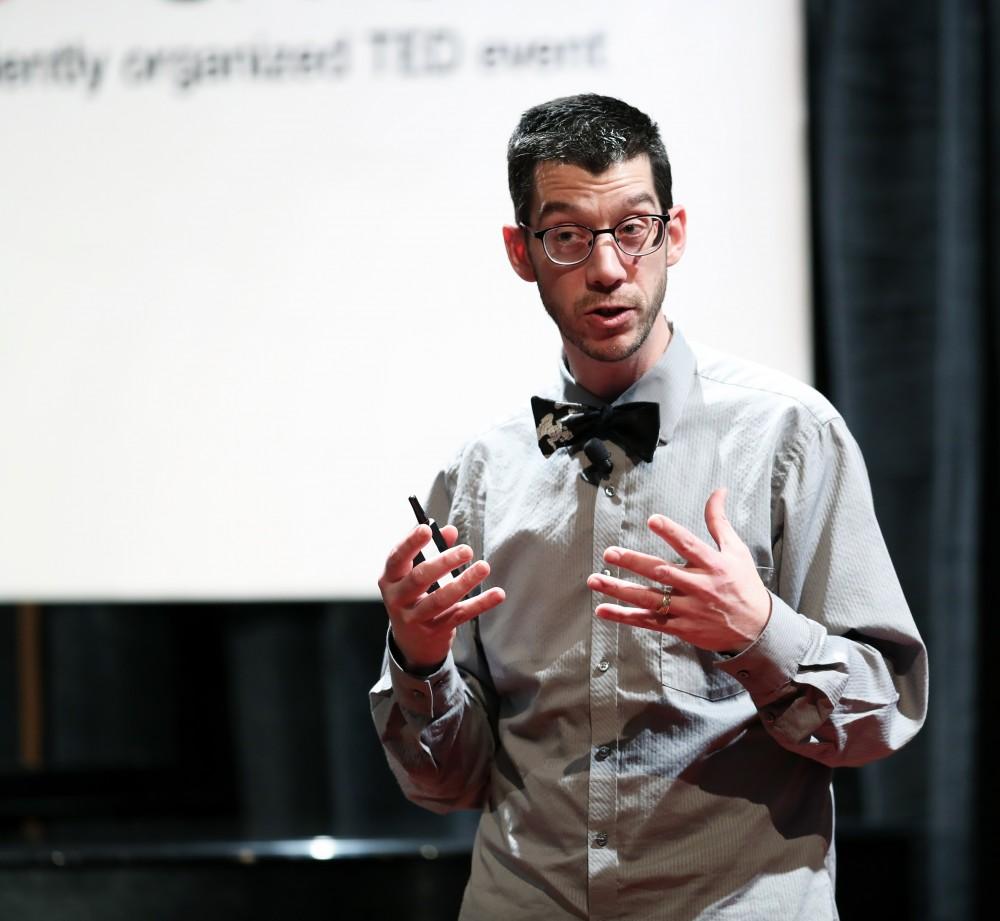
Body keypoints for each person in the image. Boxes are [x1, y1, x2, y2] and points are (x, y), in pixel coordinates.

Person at [370, 94, 927, 920]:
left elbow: (882, 717)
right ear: (521, 251)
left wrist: (757, 632)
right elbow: (449, 782)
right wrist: (419, 661)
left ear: (675, 233)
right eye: (567, 236)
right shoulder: (481, 472)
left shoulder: (789, 437)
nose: (606, 268)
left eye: (633, 228)